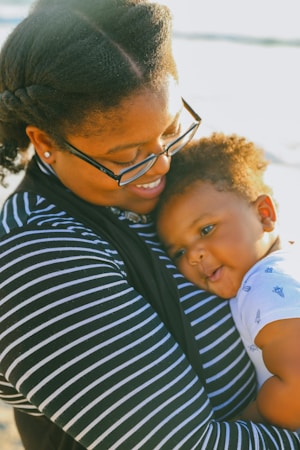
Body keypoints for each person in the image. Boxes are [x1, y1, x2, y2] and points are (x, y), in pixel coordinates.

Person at [0, 1, 299, 448]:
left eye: (172, 128)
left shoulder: (175, 181)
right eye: (125, 157)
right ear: (45, 142)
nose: (160, 165)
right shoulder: (38, 261)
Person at [156, 132, 300, 432]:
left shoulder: (264, 286)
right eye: (180, 252)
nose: (194, 255)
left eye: (206, 229)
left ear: (264, 214)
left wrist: (251, 416)